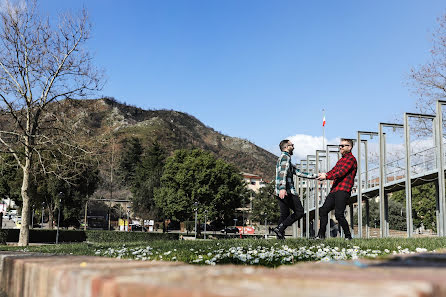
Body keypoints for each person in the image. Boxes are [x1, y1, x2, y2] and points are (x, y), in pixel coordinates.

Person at [273, 139, 316, 239]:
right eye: (292, 145)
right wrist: (283, 188)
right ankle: (280, 228)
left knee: (285, 214)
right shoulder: (285, 157)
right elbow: (282, 173)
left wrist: (316, 175)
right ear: (286, 147)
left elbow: (298, 172)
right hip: (287, 191)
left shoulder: (284, 158)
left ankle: (279, 237)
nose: (294, 147)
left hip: (280, 191)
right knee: (299, 212)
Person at [316, 138, 357, 240]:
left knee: (339, 214)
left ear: (350, 147)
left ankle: (348, 237)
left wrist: (326, 177)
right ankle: (320, 236)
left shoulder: (351, 159)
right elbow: (333, 171)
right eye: (340, 145)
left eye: (343, 146)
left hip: (343, 190)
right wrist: (325, 174)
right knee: (323, 210)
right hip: (334, 190)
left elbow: (341, 172)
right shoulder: (341, 160)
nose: (340, 147)